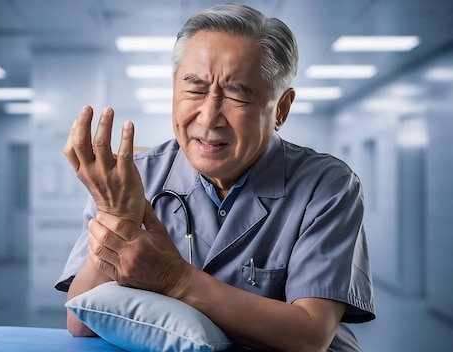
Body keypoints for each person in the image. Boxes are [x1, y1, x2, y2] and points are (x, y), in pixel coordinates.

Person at [55, 3, 375, 351]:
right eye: (194, 89)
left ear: (281, 108)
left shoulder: (326, 186)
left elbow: (311, 335)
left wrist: (173, 278)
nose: (208, 118)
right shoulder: (132, 176)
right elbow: (81, 320)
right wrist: (119, 215)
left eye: (237, 93)